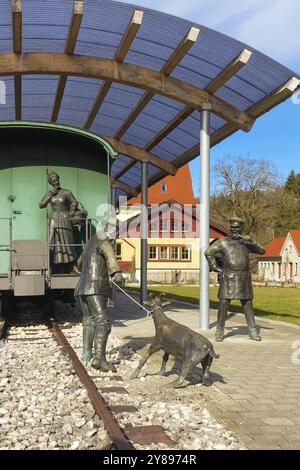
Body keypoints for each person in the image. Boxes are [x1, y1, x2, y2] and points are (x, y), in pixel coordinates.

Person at [205, 217, 265, 342]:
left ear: (241, 228)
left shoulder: (246, 242)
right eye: (232, 227)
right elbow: (208, 252)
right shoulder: (223, 242)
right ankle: (220, 332)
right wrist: (215, 267)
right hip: (228, 277)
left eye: (236, 227)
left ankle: (253, 331)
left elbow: (262, 251)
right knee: (223, 304)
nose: (234, 230)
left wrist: (251, 241)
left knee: (248, 304)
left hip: (244, 277)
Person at [74, 229, 124, 371]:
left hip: (82, 286)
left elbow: (78, 264)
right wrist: (117, 274)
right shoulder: (104, 242)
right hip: (95, 286)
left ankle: (86, 355)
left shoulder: (89, 244)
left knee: (88, 320)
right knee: (103, 322)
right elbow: (110, 257)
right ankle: (99, 359)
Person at [39, 172, 79, 273]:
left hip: (64, 218)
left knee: (68, 242)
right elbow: (41, 204)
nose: (56, 181)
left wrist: (72, 211)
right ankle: (52, 266)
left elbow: (74, 202)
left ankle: (72, 266)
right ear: (51, 183)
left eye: (56, 179)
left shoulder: (66, 192)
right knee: (53, 242)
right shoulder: (49, 193)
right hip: (53, 219)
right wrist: (50, 195)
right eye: (53, 181)